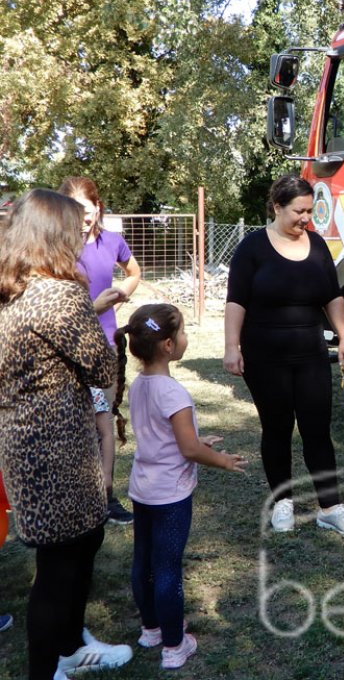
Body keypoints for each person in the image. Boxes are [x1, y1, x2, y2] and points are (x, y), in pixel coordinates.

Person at [0, 189, 133, 680]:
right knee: (58, 570)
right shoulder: (58, 293)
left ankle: (72, 644)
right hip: (56, 450)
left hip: (26, 444)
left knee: (85, 539)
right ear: (54, 235)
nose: (82, 238)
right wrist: (92, 307)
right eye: (75, 229)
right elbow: (101, 366)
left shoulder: (13, 287)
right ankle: (49, 667)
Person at [223, 175, 344, 537]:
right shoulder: (252, 249)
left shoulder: (317, 246)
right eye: (298, 211)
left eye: (309, 211)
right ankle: (282, 502)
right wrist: (231, 346)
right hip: (265, 355)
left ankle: (330, 507)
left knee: (317, 429)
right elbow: (236, 300)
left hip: (311, 354)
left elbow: (333, 296)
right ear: (277, 207)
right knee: (278, 429)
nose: (306, 219)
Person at [114, 304, 247, 670]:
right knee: (168, 569)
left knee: (143, 563)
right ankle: (174, 646)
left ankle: (152, 628)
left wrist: (203, 439)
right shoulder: (173, 394)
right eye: (185, 332)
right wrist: (221, 459)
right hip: (171, 496)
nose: (188, 337)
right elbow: (187, 448)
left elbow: (168, 437)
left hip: (143, 490)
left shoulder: (140, 385)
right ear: (169, 345)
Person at [59, 176, 142, 525]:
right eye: (76, 211)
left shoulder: (112, 241)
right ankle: (75, 495)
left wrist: (121, 294)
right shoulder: (56, 247)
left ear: (99, 208)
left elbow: (134, 272)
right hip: (66, 347)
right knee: (73, 424)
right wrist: (92, 307)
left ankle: (106, 496)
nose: (84, 218)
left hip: (104, 345)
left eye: (89, 210)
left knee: (103, 418)